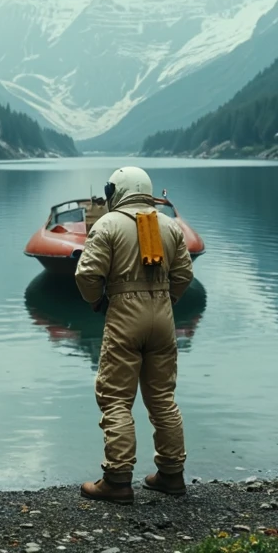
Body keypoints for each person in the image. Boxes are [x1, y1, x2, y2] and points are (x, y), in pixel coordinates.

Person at [74, 166, 194, 505]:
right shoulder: (169, 226)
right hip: (163, 316)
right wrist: (167, 299)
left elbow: (86, 275)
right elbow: (184, 274)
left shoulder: (108, 224)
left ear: (117, 191)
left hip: (125, 314)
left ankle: (117, 479)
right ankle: (171, 474)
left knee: (115, 399)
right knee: (162, 398)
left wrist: (97, 300)